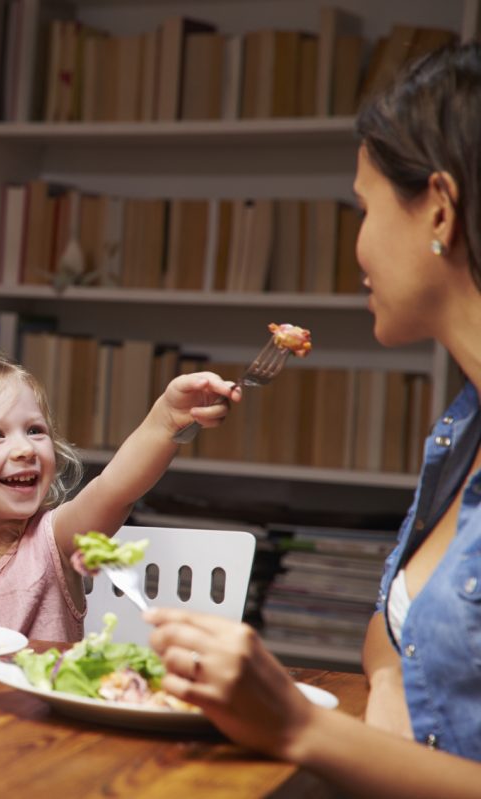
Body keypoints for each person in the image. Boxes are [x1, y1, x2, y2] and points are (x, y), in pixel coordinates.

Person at [146, 42, 481, 798]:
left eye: (362, 209)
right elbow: (392, 639)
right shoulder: (462, 433)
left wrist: (296, 722)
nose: (356, 248)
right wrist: (389, 682)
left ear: (439, 206)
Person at [0, 349, 238, 640]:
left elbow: (116, 488)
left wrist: (166, 418)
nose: (25, 448)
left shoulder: (55, 540)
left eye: (35, 430)